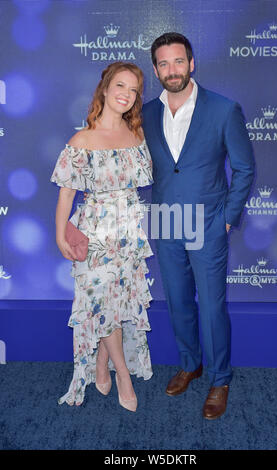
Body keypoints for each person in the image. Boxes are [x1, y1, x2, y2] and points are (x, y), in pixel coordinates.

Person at [142, 32, 255, 419]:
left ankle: (220, 378)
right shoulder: (145, 113)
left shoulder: (223, 109)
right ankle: (191, 364)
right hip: (165, 220)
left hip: (207, 223)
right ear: (155, 69)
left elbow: (243, 168)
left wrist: (226, 219)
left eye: (178, 61)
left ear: (192, 64)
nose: (171, 70)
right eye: (163, 63)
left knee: (210, 307)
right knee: (177, 302)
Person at [50, 62, 154, 410]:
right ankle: (123, 372)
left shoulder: (136, 135)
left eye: (134, 90)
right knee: (101, 303)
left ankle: (101, 362)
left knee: (118, 303)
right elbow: (66, 193)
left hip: (129, 234)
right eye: (120, 86)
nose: (126, 94)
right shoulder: (83, 139)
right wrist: (60, 235)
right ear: (105, 89)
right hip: (94, 233)